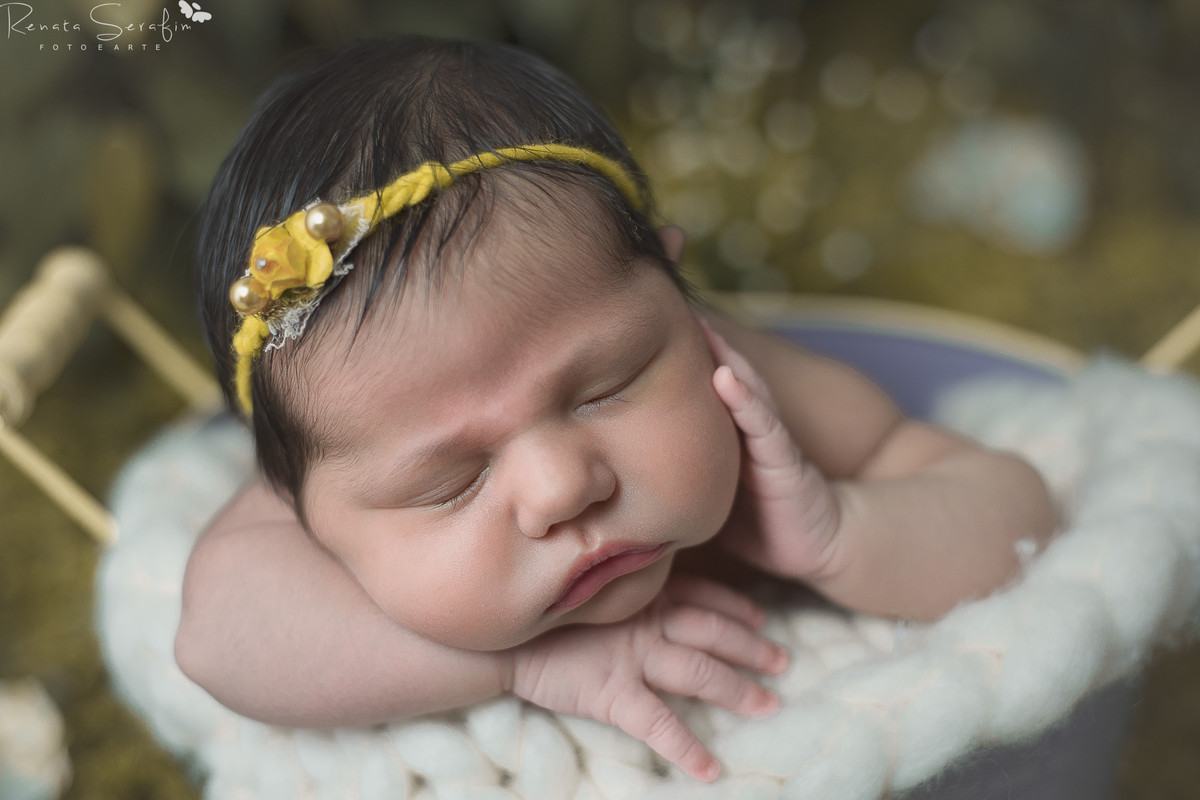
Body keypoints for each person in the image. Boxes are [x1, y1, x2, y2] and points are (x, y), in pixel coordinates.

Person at [175, 35, 1057, 783]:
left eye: (605, 387)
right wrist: (521, 662)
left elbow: (1017, 513)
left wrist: (842, 532)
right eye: (450, 481)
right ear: (296, 502)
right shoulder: (336, 460)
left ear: (680, 297)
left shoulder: (746, 388)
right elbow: (218, 637)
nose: (563, 488)